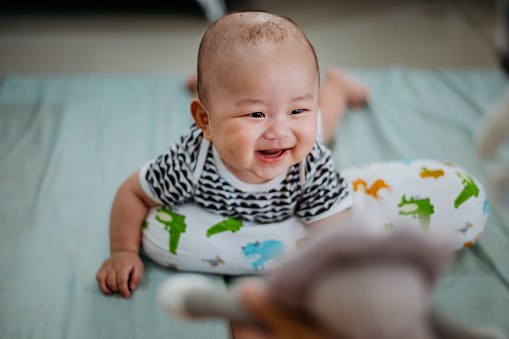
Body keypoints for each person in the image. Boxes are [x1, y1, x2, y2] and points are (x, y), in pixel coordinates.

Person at [96, 10, 369, 299]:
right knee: (236, 90)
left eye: (297, 109)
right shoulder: (190, 162)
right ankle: (215, 87)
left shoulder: (310, 162)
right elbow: (133, 193)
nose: (279, 131)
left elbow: (332, 230)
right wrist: (123, 252)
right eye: (256, 113)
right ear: (204, 121)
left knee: (323, 125)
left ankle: (336, 86)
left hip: (311, 137)